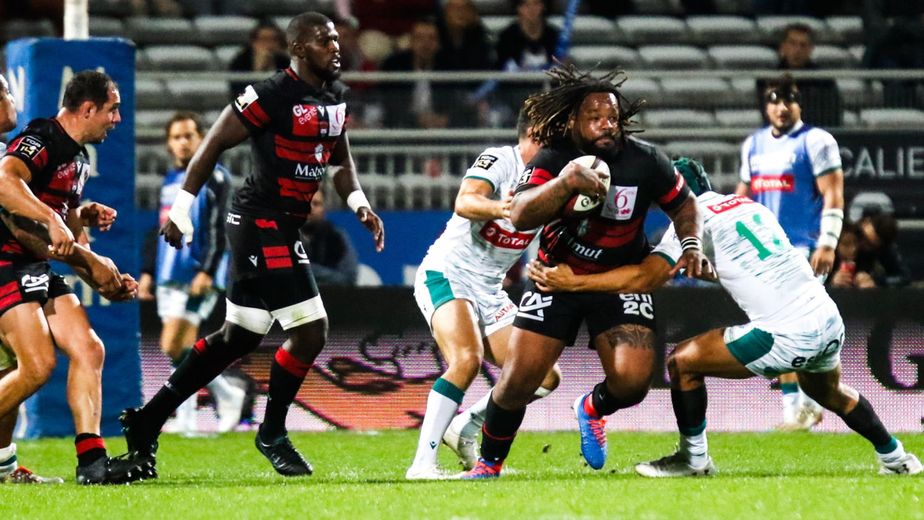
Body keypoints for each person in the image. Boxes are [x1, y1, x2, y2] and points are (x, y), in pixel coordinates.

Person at [529, 158, 922, 477]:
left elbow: (644, 279)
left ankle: (693, 459)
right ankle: (897, 457)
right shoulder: (749, 205)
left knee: (682, 362)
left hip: (784, 333)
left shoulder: (690, 220)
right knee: (830, 393)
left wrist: (573, 282)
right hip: (825, 317)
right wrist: (712, 268)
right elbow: (759, 261)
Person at [118, 12, 385, 479]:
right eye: (325, 40)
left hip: (282, 227)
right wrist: (182, 209)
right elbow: (213, 144)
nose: (336, 47)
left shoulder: (335, 98)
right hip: (258, 223)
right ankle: (273, 433)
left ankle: (148, 420)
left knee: (237, 337)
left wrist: (360, 203)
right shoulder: (269, 94)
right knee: (311, 329)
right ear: (299, 48)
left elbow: (340, 160)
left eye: (337, 39)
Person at [461, 63, 711, 479]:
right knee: (518, 382)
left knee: (633, 383)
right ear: (574, 120)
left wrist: (690, 243)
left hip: (619, 279)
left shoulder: (645, 161)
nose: (606, 125)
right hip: (555, 278)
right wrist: (565, 183)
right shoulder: (554, 157)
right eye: (594, 118)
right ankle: (489, 465)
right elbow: (520, 215)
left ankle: (592, 407)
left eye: (612, 117)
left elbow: (685, 204)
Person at [0, 70, 145, 484]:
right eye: (112, 110)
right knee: (37, 366)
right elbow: (5, 180)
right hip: (6, 263)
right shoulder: (42, 136)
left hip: (35, 265)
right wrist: (55, 221)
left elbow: (70, 241)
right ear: (88, 109)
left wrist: (104, 275)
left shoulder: (79, 159)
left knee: (89, 348)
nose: (117, 119)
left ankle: (92, 462)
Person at [407, 108, 561, 479]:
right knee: (466, 359)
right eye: (555, 133)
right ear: (536, 132)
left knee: (542, 376)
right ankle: (422, 465)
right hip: (448, 272)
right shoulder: (500, 158)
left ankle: (465, 426)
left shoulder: (549, 180)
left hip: (490, 289)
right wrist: (503, 207)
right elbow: (465, 201)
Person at [737, 73, 845, 431]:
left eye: (790, 100)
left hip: (806, 247)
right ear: (765, 106)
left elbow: (833, 193)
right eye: (775, 100)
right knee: (778, 326)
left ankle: (812, 403)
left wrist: (828, 242)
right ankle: (796, 411)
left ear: (800, 104)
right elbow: (743, 197)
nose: (782, 107)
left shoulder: (817, 141)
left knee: (807, 326)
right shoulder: (752, 144)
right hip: (766, 253)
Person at [137, 111, 245, 435]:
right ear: (169, 144)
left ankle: (192, 418)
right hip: (169, 273)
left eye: (190, 135)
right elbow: (160, 229)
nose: (184, 142)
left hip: (199, 274)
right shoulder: (169, 181)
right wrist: (147, 271)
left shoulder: (217, 178)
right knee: (180, 349)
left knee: (174, 344)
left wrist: (209, 271)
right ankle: (225, 395)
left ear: (202, 138)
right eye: (177, 137)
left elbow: (221, 228)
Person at [755, 23, 843, 128]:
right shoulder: (768, 79)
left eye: (803, 45)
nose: (797, 50)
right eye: (792, 44)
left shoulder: (824, 81)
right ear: (783, 47)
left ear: (810, 49)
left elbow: (831, 116)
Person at [301, 190, 358, 286]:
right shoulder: (284, 236)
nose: (310, 208)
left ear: (324, 209)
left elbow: (349, 277)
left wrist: (306, 270)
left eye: (316, 204)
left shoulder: (336, 237)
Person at [228, 20, 290, 99]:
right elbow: (239, 97)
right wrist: (258, 70)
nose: (269, 45)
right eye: (264, 39)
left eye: (273, 40)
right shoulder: (240, 63)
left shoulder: (284, 62)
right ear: (254, 42)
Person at [495, 0, 559, 71]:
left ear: (543, 6)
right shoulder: (507, 37)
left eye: (536, 3)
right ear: (518, 7)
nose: (531, 9)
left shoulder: (553, 36)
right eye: (525, 5)